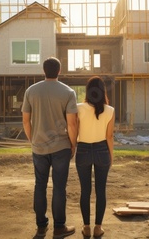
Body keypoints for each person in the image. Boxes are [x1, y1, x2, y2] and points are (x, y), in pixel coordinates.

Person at [21, 57, 78, 238]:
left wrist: (33, 140)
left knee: (40, 185)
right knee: (59, 187)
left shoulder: (31, 91)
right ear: (59, 71)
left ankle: (41, 225)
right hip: (61, 146)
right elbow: (72, 124)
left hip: (39, 147)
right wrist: (73, 144)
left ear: (44, 70)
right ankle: (59, 227)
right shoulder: (68, 92)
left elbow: (25, 120)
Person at [75, 76, 115, 238]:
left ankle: (86, 227)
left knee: (85, 190)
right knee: (101, 190)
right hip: (102, 150)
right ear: (103, 91)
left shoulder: (78, 108)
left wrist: (73, 147)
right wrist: (111, 156)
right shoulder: (110, 110)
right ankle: (98, 227)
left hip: (83, 149)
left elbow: (74, 130)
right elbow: (110, 137)